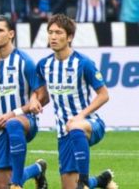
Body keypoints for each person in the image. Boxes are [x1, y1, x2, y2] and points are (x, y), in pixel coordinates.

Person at [36, 14, 117, 189]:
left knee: (75, 127)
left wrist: (80, 117)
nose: (53, 37)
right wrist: (34, 102)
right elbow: (42, 96)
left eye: (58, 32)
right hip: (63, 132)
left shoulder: (83, 63)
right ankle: (101, 181)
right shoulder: (44, 65)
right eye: (50, 32)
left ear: (70, 37)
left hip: (89, 124)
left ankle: (84, 181)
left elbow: (103, 94)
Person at [0, 17, 50, 189]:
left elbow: (43, 96)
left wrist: (12, 114)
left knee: (13, 124)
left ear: (11, 34)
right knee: (1, 186)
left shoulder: (25, 62)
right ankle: (37, 169)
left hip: (24, 121)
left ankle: (17, 184)